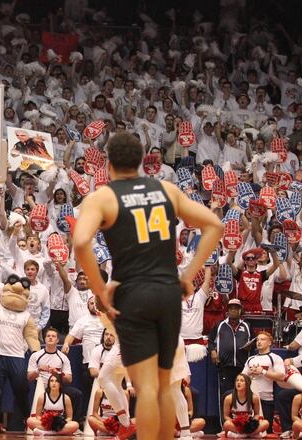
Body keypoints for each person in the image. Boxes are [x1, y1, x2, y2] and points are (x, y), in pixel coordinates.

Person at [72, 132, 224, 440]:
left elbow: (80, 241)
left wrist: (100, 290)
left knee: (147, 388)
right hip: (168, 292)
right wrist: (187, 276)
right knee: (166, 387)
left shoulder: (103, 197)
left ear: (108, 163)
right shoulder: (165, 189)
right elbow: (215, 226)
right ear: (142, 161)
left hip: (133, 294)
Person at [208, 299, 252, 400]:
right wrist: (213, 351)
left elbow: (254, 342)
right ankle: (224, 416)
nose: (233, 311)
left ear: (240, 310)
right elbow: (210, 341)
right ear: (227, 310)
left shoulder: (247, 326)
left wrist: (251, 346)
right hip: (225, 366)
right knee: (226, 394)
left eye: (236, 309)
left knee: (242, 393)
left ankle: (241, 415)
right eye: (231, 309)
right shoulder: (220, 325)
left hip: (242, 366)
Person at [241, 331, 285, 432]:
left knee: (265, 429)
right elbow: (242, 377)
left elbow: (281, 376)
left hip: (266, 399)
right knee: (247, 429)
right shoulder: (251, 359)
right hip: (249, 399)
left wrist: (263, 371)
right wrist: (249, 373)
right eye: (257, 340)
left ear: (270, 342)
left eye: (262, 339)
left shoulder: (275, 358)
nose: (259, 342)